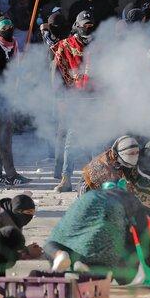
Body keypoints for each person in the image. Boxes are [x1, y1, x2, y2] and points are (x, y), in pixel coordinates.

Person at [45, 187, 150, 282]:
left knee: (55, 243)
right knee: (122, 273)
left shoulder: (92, 193)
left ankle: (60, 254)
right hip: (110, 216)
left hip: (85, 204)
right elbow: (146, 240)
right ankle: (92, 268)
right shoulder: (134, 203)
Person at [0, 16, 32, 186]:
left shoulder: (12, 47)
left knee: (2, 136)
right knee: (4, 136)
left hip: (9, 96)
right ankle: (11, 175)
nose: (8, 30)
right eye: (4, 28)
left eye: (10, 27)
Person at [51, 11, 95, 192]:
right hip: (75, 99)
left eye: (90, 25)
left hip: (96, 99)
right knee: (71, 140)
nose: (88, 28)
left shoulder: (99, 45)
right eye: (85, 25)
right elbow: (56, 74)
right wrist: (60, 98)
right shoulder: (65, 45)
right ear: (77, 25)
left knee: (96, 141)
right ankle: (66, 178)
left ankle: (96, 178)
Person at [81, 136, 150, 211]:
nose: (135, 156)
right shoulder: (101, 168)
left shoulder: (129, 163)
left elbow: (141, 182)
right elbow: (92, 193)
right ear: (120, 153)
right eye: (131, 153)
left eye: (136, 153)